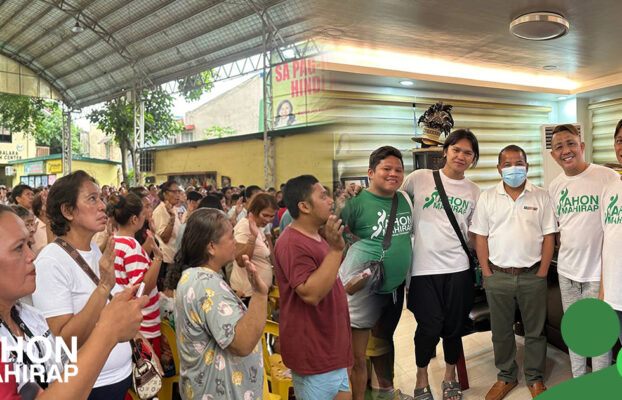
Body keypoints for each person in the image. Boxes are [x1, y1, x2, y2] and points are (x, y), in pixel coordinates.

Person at [0, 203, 148, 400]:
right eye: (19, 248)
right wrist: (107, 333)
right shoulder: (51, 261)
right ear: (67, 211)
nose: (31, 256)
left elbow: (61, 374)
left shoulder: (30, 318)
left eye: (29, 244)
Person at [31, 171, 133, 399]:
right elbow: (63, 341)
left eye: (101, 198)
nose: (103, 206)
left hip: (117, 380)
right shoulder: (51, 261)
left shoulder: (93, 249)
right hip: (90, 387)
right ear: (67, 211)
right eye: (92, 199)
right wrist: (104, 288)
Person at [470, 145, 556, 400]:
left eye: (518, 163)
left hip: (532, 276)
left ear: (527, 167)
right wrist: (486, 272)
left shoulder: (541, 196)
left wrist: (541, 272)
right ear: (499, 169)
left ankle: (535, 377)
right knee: (501, 331)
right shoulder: (487, 197)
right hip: (498, 276)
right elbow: (480, 238)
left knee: (535, 331)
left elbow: (549, 237)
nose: (513, 168)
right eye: (507, 164)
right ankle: (506, 376)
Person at [401, 129, 481, 400]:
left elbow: (473, 234)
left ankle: (450, 375)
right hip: (424, 270)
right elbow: (395, 204)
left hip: (459, 269)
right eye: (456, 149)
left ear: (473, 158)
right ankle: (421, 376)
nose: (461, 156)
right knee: (428, 326)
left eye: (467, 152)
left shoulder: (474, 191)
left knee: (454, 326)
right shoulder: (419, 179)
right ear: (445, 151)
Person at [338, 146, 413, 400]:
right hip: (364, 291)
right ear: (371, 172)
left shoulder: (404, 199)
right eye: (386, 169)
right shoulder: (356, 202)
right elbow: (336, 241)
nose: (393, 174)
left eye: (398, 170)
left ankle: (383, 390)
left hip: (393, 290)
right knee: (360, 351)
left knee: (384, 342)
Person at [548, 123, 619, 377]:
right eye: (559, 147)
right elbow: (558, 231)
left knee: (599, 337)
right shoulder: (555, 186)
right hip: (567, 273)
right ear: (553, 154)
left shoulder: (607, 177)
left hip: (597, 275)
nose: (565, 150)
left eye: (570, 143)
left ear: (582, 146)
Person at [174, 208, 268, 400]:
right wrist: (259, 294)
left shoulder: (198, 277)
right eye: (231, 236)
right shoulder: (205, 283)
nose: (235, 243)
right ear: (211, 247)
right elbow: (242, 343)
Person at [273, 175, 353, 400]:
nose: (330, 202)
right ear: (304, 206)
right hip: (314, 351)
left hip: (331, 346)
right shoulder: (291, 242)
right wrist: (337, 251)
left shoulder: (318, 237)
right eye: (323, 196)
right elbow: (310, 293)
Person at [107, 192, 164, 356]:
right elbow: (142, 288)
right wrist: (158, 259)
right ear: (134, 219)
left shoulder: (116, 241)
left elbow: (133, 267)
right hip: (144, 324)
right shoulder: (132, 247)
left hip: (125, 316)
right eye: (142, 213)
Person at [230, 193, 277, 303]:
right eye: (265, 215)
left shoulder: (258, 226)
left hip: (257, 292)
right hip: (247, 293)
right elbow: (241, 261)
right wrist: (253, 237)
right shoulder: (245, 226)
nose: (268, 220)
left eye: (272, 216)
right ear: (254, 211)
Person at [600, 118, 622, 346]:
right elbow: (608, 241)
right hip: (615, 294)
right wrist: (604, 292)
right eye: (619, 140)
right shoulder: (610, 188)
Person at [152, 180, 182, 291]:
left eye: (179, 191)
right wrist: (172, 219)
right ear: (165, 194)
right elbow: (164, 238)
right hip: (167, 259)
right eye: (174, 192)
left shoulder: (172, 209)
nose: (177, 195)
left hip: (175, 257)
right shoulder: (160, 211)